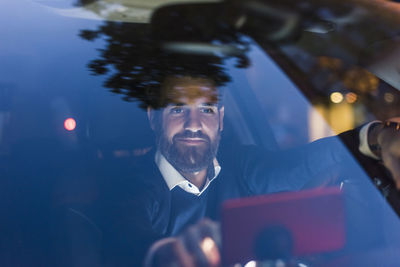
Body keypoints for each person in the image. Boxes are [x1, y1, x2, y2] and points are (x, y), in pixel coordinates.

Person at [89, 74, 400, 266]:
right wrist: (176, 253)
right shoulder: (130, 185)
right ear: (153, 117)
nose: (194, 124)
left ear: (221, 120)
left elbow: (305, 164)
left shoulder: (242, 165)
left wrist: (378, 137)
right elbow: (131, 239)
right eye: (178, 109)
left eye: (207, 110)